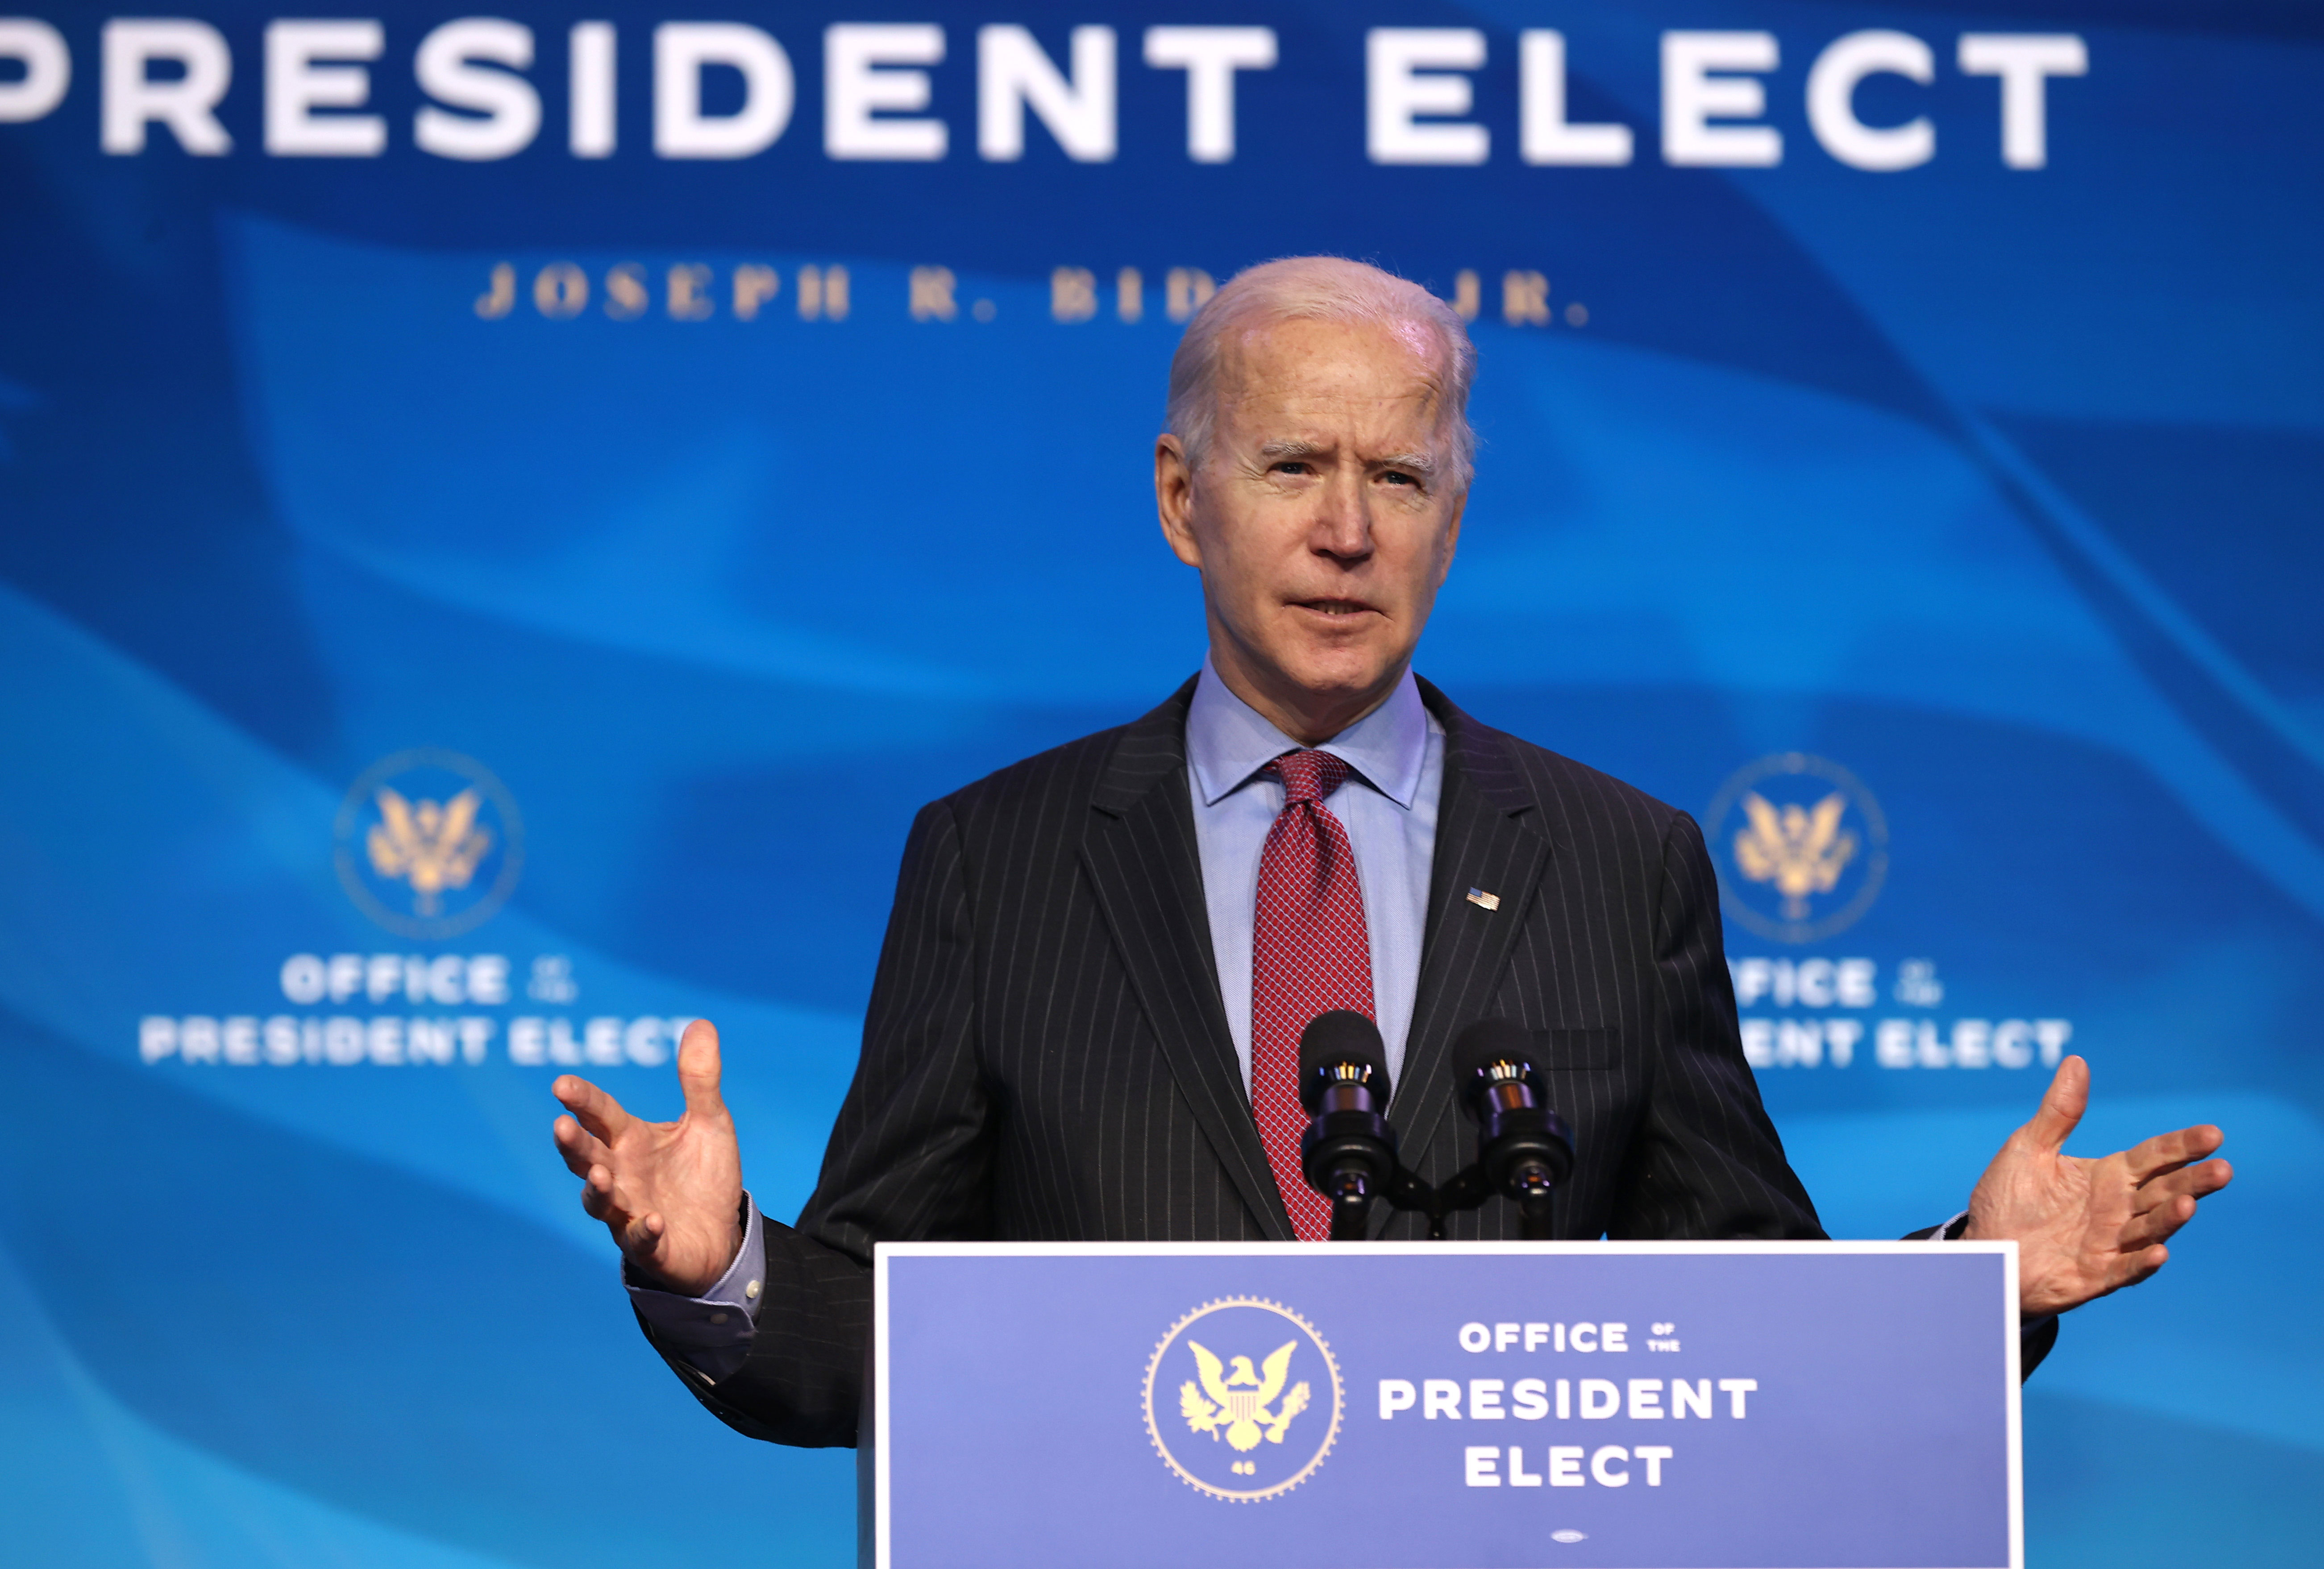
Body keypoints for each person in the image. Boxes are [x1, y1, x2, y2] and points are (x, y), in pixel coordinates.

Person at [549, 257, 2232, 1448]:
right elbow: (874, 1347)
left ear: (1455, 511)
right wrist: (730, 1266)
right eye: (1292, 466)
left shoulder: (1618, 858)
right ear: (1180, 497)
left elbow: (1737, 1327)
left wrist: (1972, 1285)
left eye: (1399, 475)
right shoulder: (997, 857)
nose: (1347, 529)